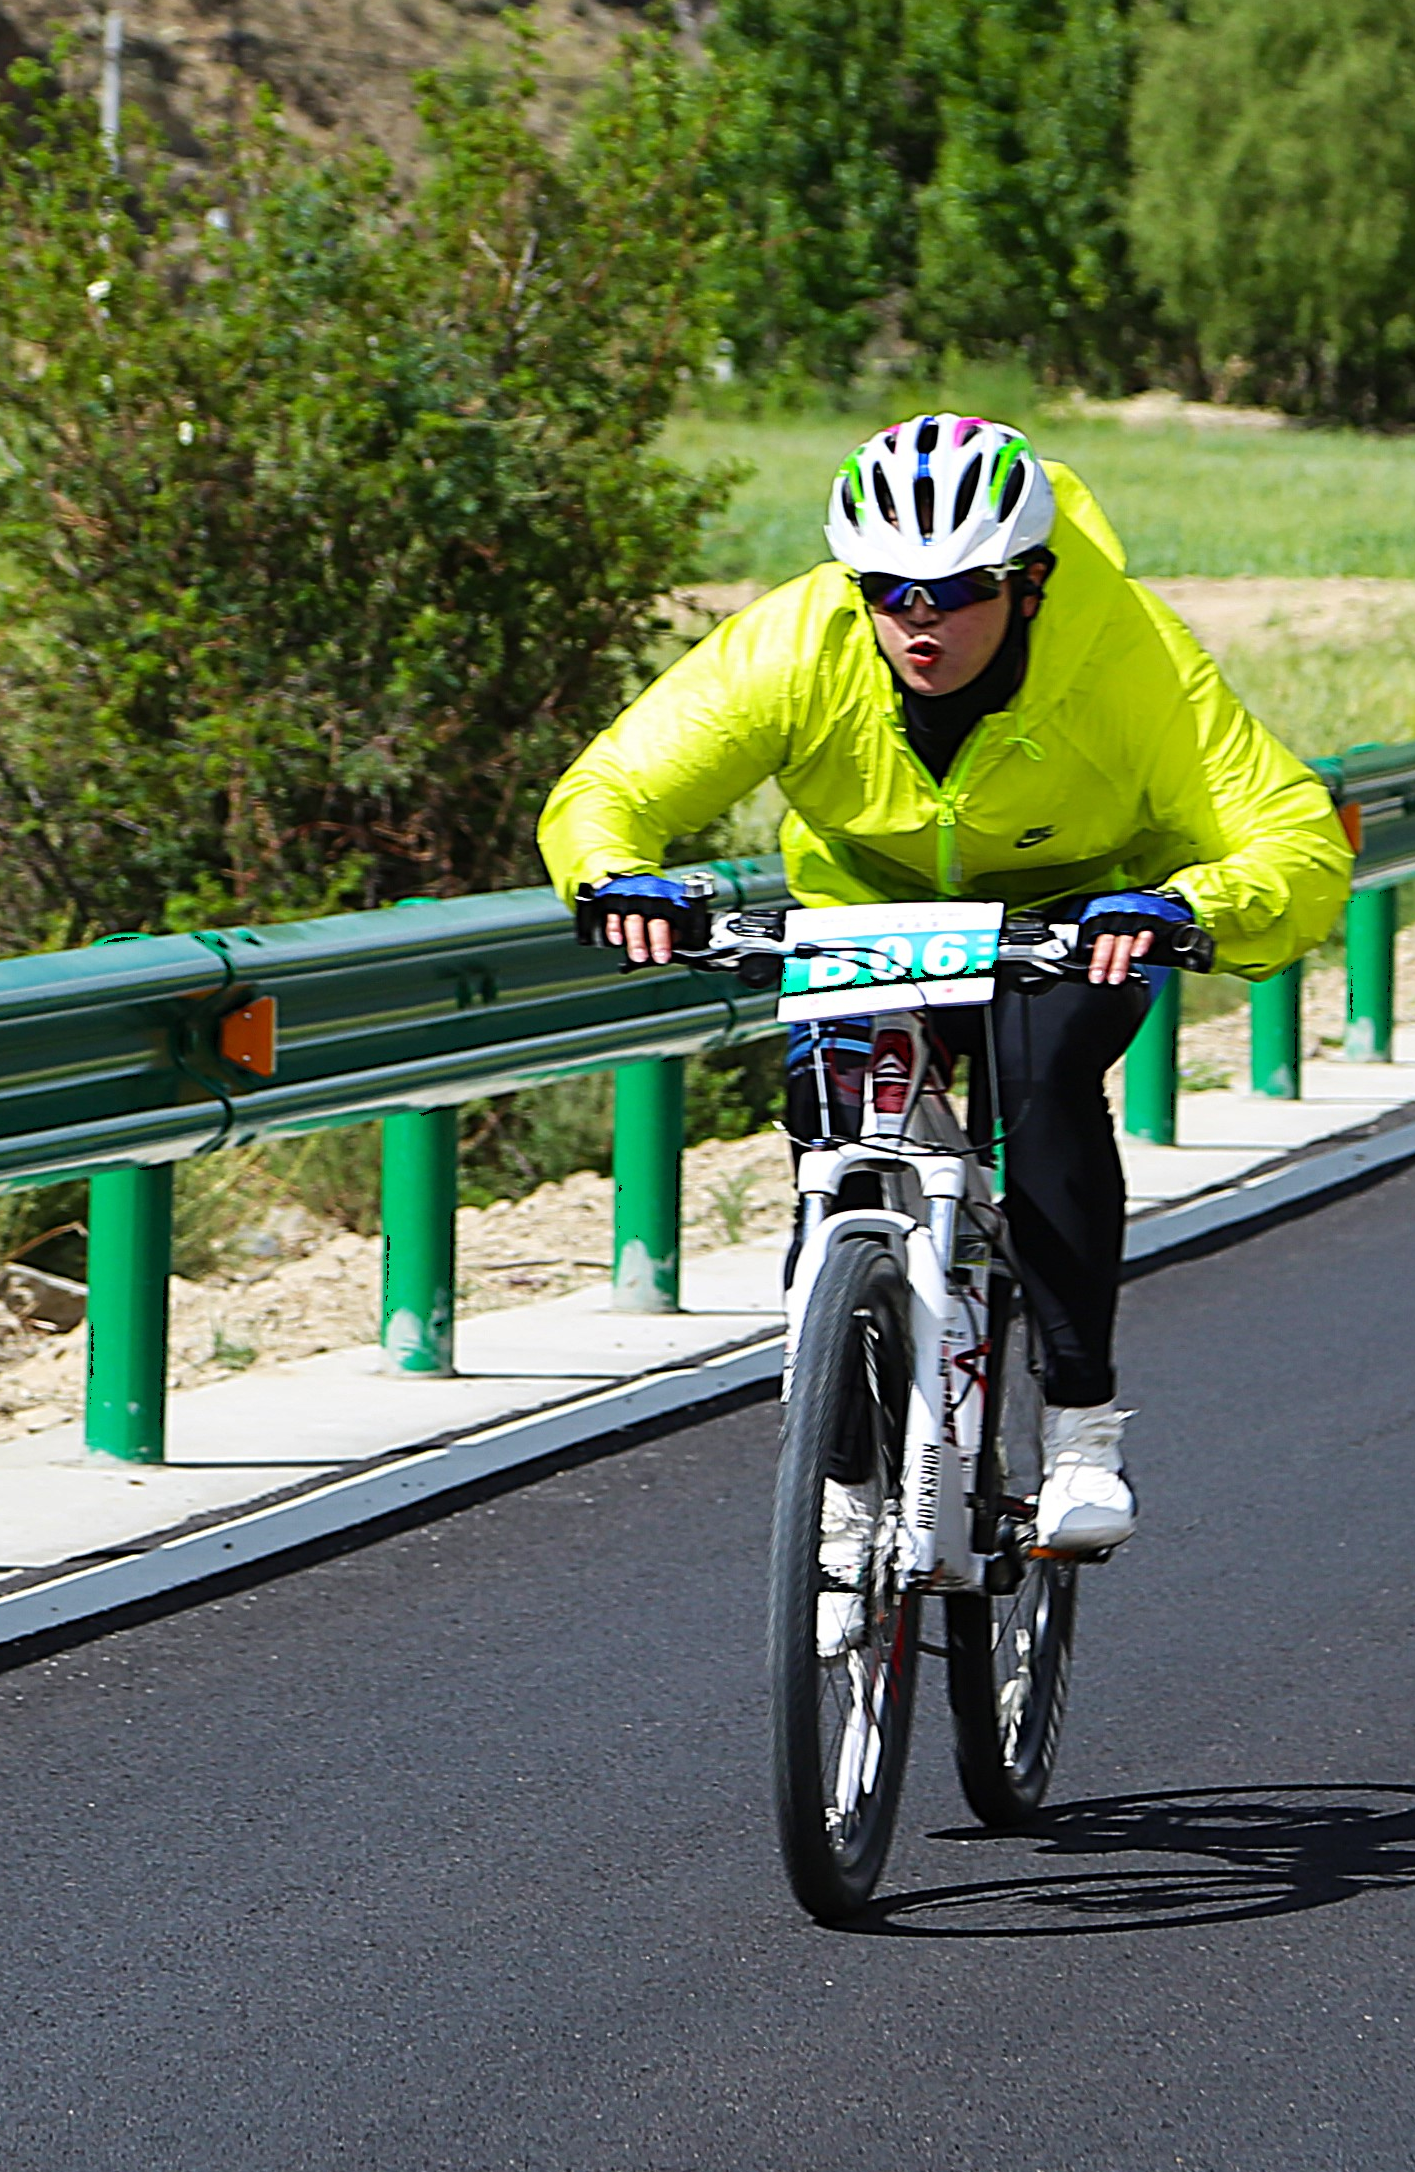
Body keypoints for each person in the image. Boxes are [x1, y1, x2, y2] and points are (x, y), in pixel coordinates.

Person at [543, 416, 1351, 1553]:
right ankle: (842, 1460)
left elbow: (1290, 835)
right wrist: (615, 871)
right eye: (888, 590)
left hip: (1072, 917)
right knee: (836, 1127)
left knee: (1040, 1072)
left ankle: (1079, 1432)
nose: (918, 621)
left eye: (956, 590)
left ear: (1029, 583)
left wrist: (1186, 906)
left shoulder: (1126, 654)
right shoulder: (800, 641)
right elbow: (617, 781)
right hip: (868, 915)